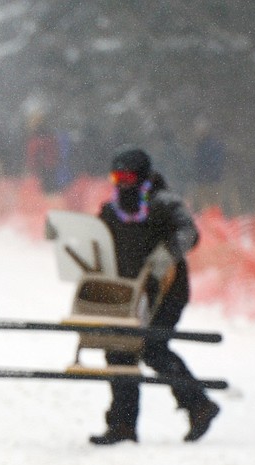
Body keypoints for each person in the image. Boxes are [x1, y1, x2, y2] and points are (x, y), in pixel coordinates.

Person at [90, 146, 220, 445]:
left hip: (167, 291)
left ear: (142, 177)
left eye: (127, 177)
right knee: (119, 349)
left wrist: (164, 258)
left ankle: (198, 405)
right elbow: (97, 240)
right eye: (116, 177)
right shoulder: (112, 210)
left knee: (152, 347)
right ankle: (122, 425)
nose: (122, 183)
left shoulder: (165, 204)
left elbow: (189, 233)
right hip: (129, 293)